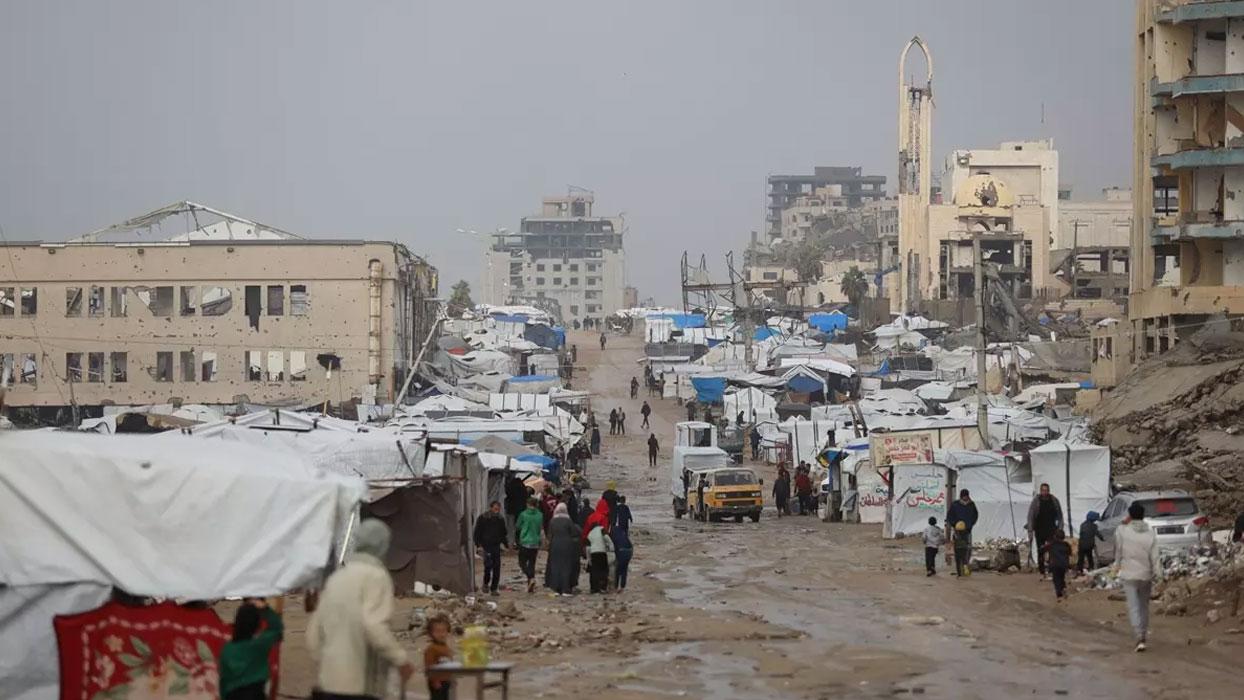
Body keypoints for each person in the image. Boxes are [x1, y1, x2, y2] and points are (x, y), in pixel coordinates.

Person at [307, 519, 413, 700]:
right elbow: (373, 625)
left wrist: (328, 663)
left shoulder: (337, 578)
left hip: (329, 684)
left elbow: (313, 634)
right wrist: (400, 659)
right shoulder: (376, 576)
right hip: (360, 686)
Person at [1116, 502, 1162, 652]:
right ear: (1143, 516)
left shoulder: (1123, 531)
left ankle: (1138, 636)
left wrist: (1116, 567)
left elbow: (1118, 551)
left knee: (1133, 606)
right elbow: (1155, 556)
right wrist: (1158, 573)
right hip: (1145, 574)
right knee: (1144, 606)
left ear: (1130, 515)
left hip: (1129, 574)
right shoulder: (1150, 533)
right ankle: (1143, 634)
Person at [219, 598, 283, 700]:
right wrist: (265, 609)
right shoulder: (259, 644)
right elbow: (276, 628)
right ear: (257, 625)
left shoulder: (227, 649)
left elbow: (223, 681)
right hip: (255, 695)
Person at [1026, 483, 1064, 579]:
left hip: (1051, 529)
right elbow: (1031, 516)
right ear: (1040, 491)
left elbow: (1060, 515)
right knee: (1041, 550)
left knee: (1052, 549)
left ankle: (1052, 568)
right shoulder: (1036, 501)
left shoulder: (1054, 501)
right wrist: (1030, 530)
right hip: (1039, 529)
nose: (1045, 492)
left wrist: (1060, 528)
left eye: (1046, 490)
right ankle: (1041, 569)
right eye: (1043, 490)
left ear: (1049, 491)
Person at [545, 502, 582, 595]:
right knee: (566, 567)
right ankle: (565, 589)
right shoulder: (568, 521)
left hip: (555, 545)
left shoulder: (552, 521)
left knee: (555, 567)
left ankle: (556, 589)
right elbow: (574, 533)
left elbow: (549, 535)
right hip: (567, 546)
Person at [473, 500, 508, 595]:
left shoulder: (500, 519)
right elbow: (477, 532)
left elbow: (503, 533)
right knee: (488, 566)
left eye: (498, 509)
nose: (497, 511)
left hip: (496, 546)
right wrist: (478, 545)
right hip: (486, 546)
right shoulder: (483, 518)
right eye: (495, 508)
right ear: (491, 507)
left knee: (497, 567)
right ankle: (485, 583)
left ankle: (494, 588)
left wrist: (506, 544)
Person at [422, 614, 454, 700]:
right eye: (438, 631)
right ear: (431, 634)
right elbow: (429, 667)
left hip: (446, 681)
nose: (441, 634)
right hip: (437, 682)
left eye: (444, 631)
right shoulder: (431, 649)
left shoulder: (446, 647)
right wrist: (435, 681)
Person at [516, 497, 544, 593]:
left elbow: (518, 526)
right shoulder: (540, 515)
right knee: (532, 564)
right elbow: (540, 527)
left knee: (522, 563)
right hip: (535, 542)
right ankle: (530, 585)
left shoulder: (523, 514)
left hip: (525, 541)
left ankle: (531, 578)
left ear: (528, 504)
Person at [586, 514, 611, 593]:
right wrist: (610, 547)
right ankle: (603, 587)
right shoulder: (601, 529)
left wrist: (589, 559)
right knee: (603, 570)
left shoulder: (589, 534)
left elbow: (588, 548)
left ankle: (594, 588)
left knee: (594, 571)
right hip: (602, 552)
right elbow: (607, 538)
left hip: (593, 553)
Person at [1045, 529, 1073, 601]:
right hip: (1064, 564)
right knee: (1061, 576)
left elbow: (1044, 549)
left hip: (1054, 564)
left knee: (1056, 579)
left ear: (1055, 536)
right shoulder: (1066, 545)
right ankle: (1063, 587)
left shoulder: (1052, 544)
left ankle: (1059, 593)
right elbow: (1070, 553)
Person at [504, 473, 527, 547]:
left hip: (512, 510)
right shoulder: (523, 488)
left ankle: (511, 542)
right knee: (519, 527)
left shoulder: (512, 487)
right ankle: (518, 541)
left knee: (511, 527)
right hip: (521, 510)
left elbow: (508, 494)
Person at [611, 516, 634, 591]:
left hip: (622, 551)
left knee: (618, 570)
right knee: (624, 569)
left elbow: (613, 546)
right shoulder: (622, 532)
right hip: (629, 550)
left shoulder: (613, 533)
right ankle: (622, 587)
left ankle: (616, 587)